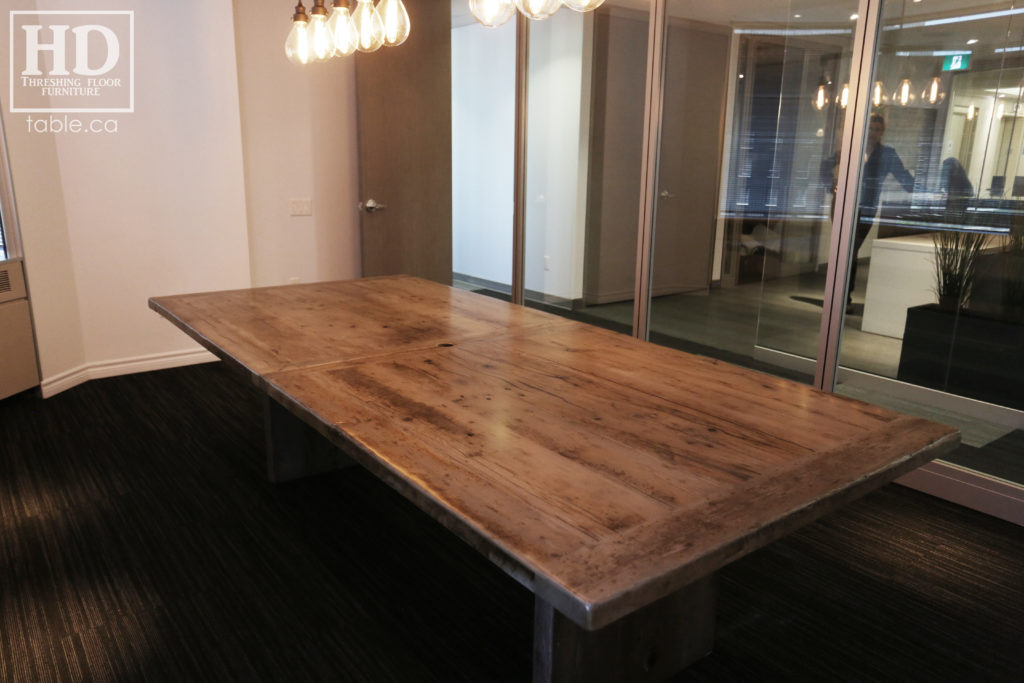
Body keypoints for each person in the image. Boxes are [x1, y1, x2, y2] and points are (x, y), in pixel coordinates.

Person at [848, 113, 915, 310]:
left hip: (866, 207)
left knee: (852, 249)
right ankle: (841, 295)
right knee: (846, 249)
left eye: (877, 129)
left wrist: (924, 191)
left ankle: (845, 296)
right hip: (844, 206)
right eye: (870, 128)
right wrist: (832, 184)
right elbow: (828, 164)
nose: (873, 133)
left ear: (882, 132)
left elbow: (904, 177)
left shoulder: (887, 154)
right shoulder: (854, 149)